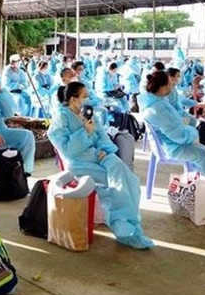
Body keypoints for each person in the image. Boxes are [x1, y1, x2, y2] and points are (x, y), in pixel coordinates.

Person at [48, 82, 153, 250]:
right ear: (74, 99)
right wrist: (85, 132)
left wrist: (104, 149)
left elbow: (103, 137)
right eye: (85, 96)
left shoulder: (89, 114)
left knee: (127, 176)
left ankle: (129, 223)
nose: (89, 99)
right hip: (79, 163)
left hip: (99, 157)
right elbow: (68, 151)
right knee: (113, 183)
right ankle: (121, 224)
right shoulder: (61, 119)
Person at [139, 72, 205, 177]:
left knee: (204, 151)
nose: (172, 85)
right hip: (173, 148)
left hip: (174, 143)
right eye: (169, 83)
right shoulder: (157, 109)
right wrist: (193, 133)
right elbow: (179, 136)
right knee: (204, 156)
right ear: (162, 87)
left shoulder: (159, 102)